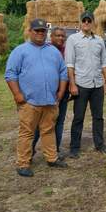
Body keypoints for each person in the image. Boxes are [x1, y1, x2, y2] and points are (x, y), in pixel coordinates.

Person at [5, 19, 68, 177]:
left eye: (42, 31)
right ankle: (23, 163)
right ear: (30, 31)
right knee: (27, 133)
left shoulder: (53, 51)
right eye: (37, 30)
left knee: (48, 131)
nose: (40, 33)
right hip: (29, 101)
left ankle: (51, 158)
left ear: (46, 33)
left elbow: (63, 72)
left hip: (50, 100)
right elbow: (10, 74)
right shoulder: (20, 51)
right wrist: (17, 94)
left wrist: (60, 92)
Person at [65, 11, 106, 158]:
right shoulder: (73, 39)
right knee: (78, 117)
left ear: (93, 23)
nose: (86, 23)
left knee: (98, 117)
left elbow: (104, 63)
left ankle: (99, 144)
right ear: (80, 22)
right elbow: (70, 64)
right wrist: (72, 84)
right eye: (84, 20)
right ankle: (74, 147)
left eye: (89, 20)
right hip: (81, 84)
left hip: (97, 84)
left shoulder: (99, 41)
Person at [32, 27, 69, 159]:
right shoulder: (44, 50)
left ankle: (55, 150)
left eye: (63, 36)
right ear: (51, 37)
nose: (60, 38)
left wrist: (63, 91)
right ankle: (30, 150)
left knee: (59, 122)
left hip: (63, 93)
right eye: (57, 36)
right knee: (39, 123)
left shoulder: (67, 51)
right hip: (47, 93)